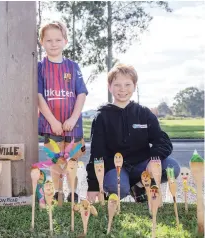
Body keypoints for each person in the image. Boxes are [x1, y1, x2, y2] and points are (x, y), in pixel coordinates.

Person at [86, 63, 180, 203]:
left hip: (142, 165)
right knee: (118, 187)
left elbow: (161, 140)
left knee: (172, 167)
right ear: (109, 86)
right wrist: (93, 185)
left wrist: (154, 158)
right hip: (116, 168)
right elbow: (96, 152)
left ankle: (139, 187)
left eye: (127, 84)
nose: (122, 89)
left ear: (134, 86)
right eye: (117, 85)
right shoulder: (102, 117)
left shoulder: (144, 113)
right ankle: (114, 192)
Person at [38, 21, 89, 202]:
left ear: (65, 41)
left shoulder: (73, 67)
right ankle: (58, 192)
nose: (53, 44)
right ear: (42, 42)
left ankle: (73, 193)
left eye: (58, 39)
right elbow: (38, 96)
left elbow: (81, 93)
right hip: (50, 125)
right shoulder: (40, 67)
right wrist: (52, 121)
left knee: (72, 161)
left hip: (72, 126)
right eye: (49, 40)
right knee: (55, 160)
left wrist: (74, 118)